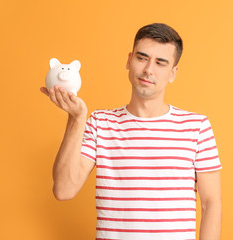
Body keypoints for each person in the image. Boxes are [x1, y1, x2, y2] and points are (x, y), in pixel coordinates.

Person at [41, 23, 222, 240]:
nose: (148, 70)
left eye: (160, 63)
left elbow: (211, 203)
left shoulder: (197, 127)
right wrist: (76, 118)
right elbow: (63, 190)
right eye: (142, 58)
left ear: (173, 73)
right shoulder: (100, 123)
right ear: (129, 60)